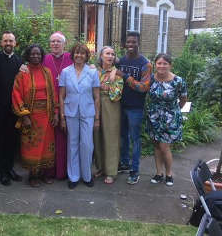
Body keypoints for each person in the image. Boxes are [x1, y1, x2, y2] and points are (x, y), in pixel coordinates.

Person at [12, 44, 58, 187]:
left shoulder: (47, 72)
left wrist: (56, 113)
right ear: (28, 55)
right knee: (33, 146)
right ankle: (33, 176)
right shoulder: (22, 73)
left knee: (46, 146)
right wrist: (24, 116)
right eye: (32, 54)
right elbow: (16, 94)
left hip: (47, 115)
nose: (35, 56)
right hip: (30, 117)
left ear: (42, 56)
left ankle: (44, 174)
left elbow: (53, 94)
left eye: (38, 54)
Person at [59, 43, 100, 189]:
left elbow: (96, 97)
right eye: (77, 53)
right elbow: (61, 96)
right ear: (72, 55)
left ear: (87, 56)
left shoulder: (92, 72)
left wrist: (97, 118)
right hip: (71, 112)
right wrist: (62, 117)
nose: (79, 55)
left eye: (82, 53)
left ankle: (87, 175)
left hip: (88, 112)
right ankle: (73, 177)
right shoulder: (65, 72)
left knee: (87, 145)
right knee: (73, 144)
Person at [0, 31, 23, 186]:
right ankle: (3, 172)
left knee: (13, 141)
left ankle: (10, 168)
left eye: (11, 41)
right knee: (0, 141)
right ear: (1, 43)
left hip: (14, 109)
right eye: (5, 41)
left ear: (15, 43)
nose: (8, 43)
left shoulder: (20, 61)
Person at [116, 32, 152, 185]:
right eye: (128, 42)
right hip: (119, 105)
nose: (130, 44)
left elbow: (143, 87)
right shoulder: (120, 61)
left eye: (134, 42)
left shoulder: (145, 64)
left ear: (139, 43)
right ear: (125, 43)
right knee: (123, 137)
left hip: (135, 108)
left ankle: (135, 170)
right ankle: (124, 163)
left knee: (135, 139)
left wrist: (125, 76)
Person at [147, 53, 187, 186]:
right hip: (154, 116)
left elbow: (183, 99)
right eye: (159, 63)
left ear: (170, 65)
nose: (162, 66)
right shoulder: (151, 78)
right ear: (155, 64)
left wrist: (175, 112)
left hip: (170, 118)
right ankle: (159, 173)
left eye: (165, 63)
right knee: (157, 145)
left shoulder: (178, 81)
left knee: (164, 146)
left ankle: (169, 174)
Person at [42, 32, 73, 180]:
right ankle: (49, 171)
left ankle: (64, 171)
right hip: (48, 104)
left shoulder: (71, 58)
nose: (55, 44)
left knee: (66, 140)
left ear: (64, 44)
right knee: (50, 139)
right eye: (52, 41)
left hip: (69, 103)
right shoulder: (44, 58)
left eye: (58, 42)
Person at [93, 46, 124, 184]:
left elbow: (116, 94)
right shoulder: (94, 70)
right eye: (107, 53)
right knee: (97, 136)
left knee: (110, 137)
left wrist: (106, 85)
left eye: (112, 54)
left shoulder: (117, 73)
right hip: (94, 105)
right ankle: (100, 168)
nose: (110, 56)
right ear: (101, 56)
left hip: (111, 106)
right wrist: (103, 85)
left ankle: (111, 171)